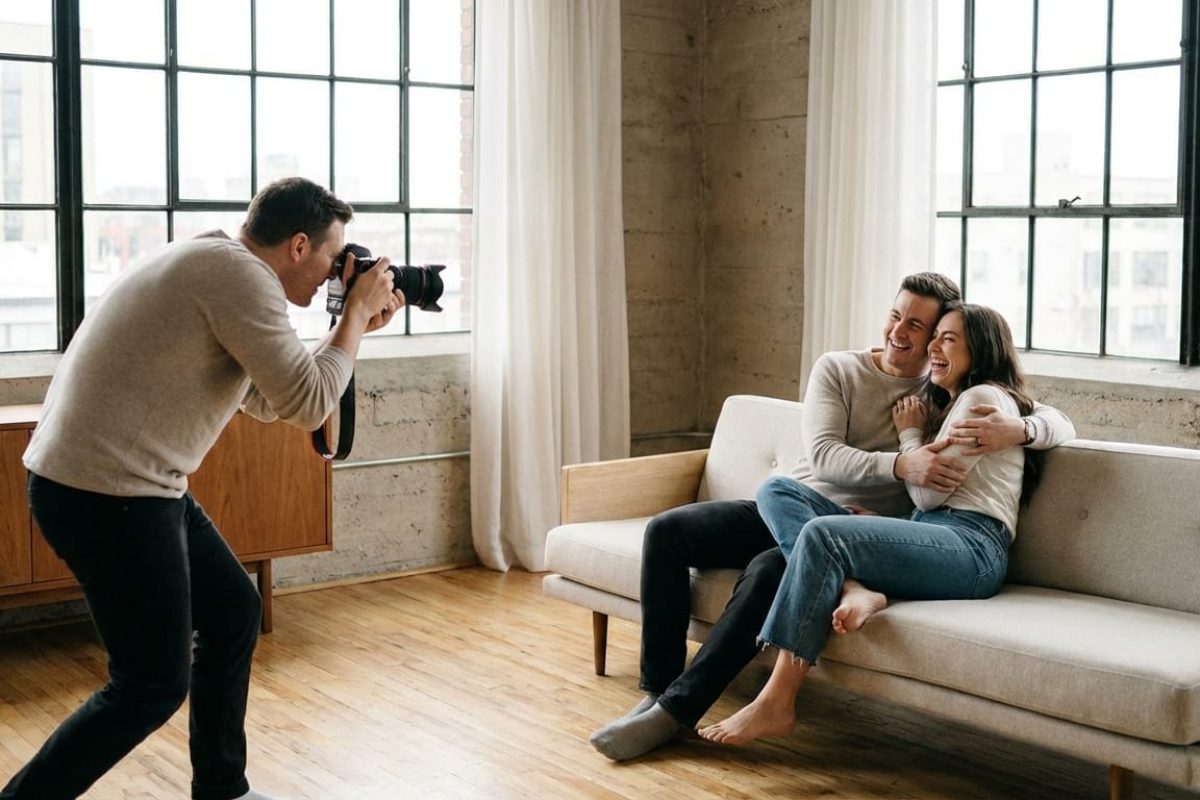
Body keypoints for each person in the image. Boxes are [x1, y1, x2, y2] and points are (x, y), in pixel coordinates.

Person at [2, 177, 402, 800]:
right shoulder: (240, 278)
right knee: (149, 685)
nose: (336, 274)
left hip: (117, 485)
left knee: (235, 610)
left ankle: (222, 789)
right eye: (332, 258)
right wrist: (350, 318)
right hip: (109, 495)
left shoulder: (214, 261)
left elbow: (271, 399)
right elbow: (307, 403)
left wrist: (350, 332)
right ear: (298, 246)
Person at [589, 274, 1074, 761]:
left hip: (857, 531)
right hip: (801, 505)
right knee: (673, 529)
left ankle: (676, 712)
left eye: (919, 326)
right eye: (895, 315)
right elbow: (823, 456)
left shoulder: (943, 393)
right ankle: (658, 689)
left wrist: (1020, 429)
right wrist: (903, 462)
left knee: (769, 570)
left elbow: (1051, 418)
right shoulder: (841, 368)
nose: (899, 331)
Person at [699, 302, 1037, 745]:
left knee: (822, 535)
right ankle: (853, 587)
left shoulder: (980, 400)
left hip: (973, 548)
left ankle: (777, 701)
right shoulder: (957, 400)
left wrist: (909, 436)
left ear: (981, 350)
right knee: (778, 489)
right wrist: (893, 524)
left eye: (948, 339)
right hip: (937, 532)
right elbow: (929, 502)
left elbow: (928, 494)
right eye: (935, 336)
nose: (933, 347)